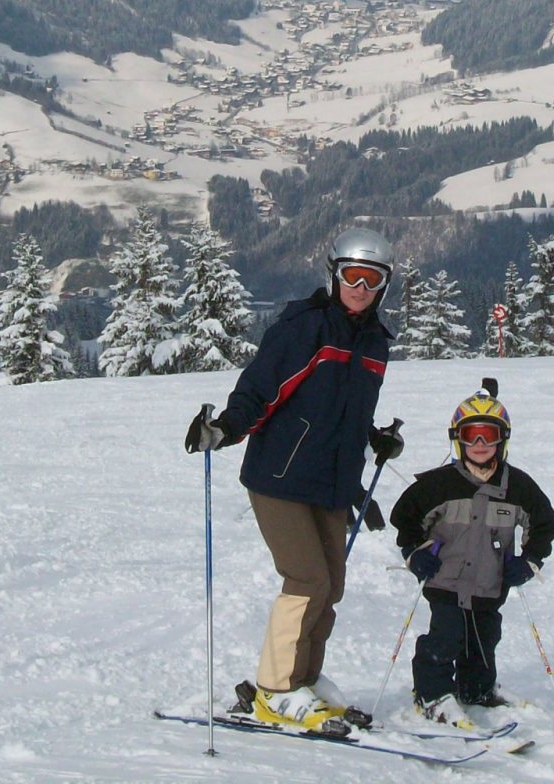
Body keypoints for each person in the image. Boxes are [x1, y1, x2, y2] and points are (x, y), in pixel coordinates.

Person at [184, 226, 403, 730]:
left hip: (330, 483)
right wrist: (224, 429)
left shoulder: (375, 343)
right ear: (333, 274)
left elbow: (343, 411)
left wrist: (374, 441)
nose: (361, 289)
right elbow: (259, 390)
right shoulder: (304, 328)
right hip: (279, 477)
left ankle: (304, 678)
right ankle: (276, 689)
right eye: (353, 276)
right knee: (306, 580)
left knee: (331, 586)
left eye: (373, 280)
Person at [388, 383, 554, 730]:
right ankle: (432, 693)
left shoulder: (518, 486)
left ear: (502, 439)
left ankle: (476, 689)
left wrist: (528, 561)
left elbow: (545, 524)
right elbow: (405, 518)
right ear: (458, 438)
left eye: (488, 436)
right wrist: (414, 554)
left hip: (489, 581)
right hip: (444, 579)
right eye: (471, 436)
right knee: (445, 636)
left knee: (484, 637)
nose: (480, 445)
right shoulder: (438, 484)